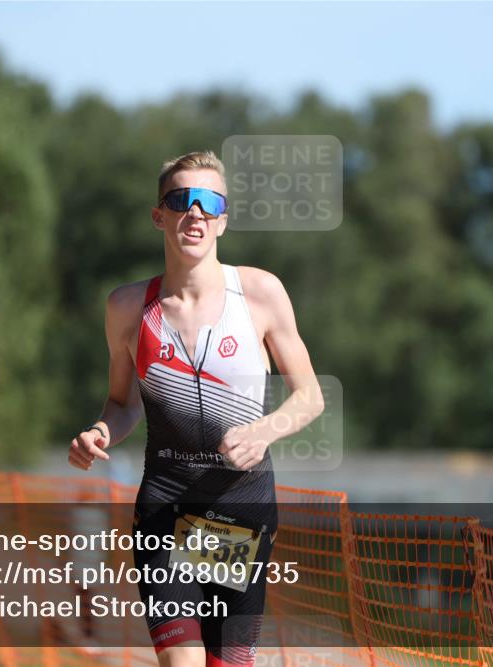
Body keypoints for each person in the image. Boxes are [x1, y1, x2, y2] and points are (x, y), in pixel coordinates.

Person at [69, 151, 324, 667]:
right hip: (166, 507)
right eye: (181, 200)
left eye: (209, 202)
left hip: (241, 510)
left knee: (225, 662)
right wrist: (100, 431)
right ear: (158, 215)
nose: (196, 213)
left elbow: (310, 397)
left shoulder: (259, 293)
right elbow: (122, 403)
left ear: (223, 219)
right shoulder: (127, 307)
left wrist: (264, 431)